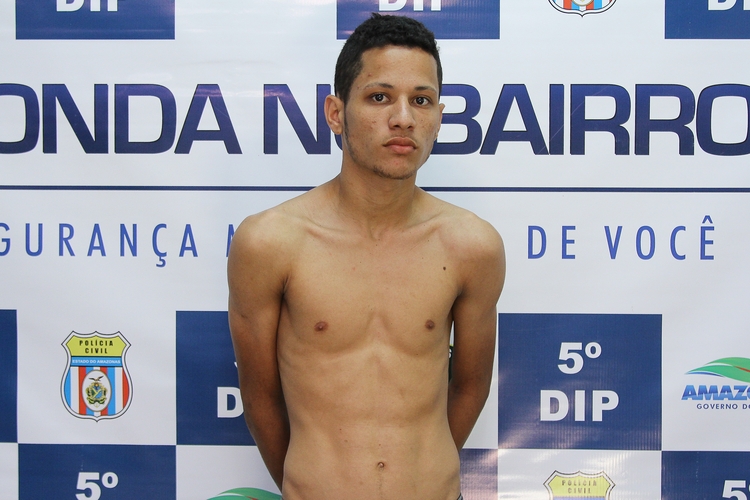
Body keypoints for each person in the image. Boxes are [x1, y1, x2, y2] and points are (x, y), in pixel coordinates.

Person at [227, 13, 505, 500]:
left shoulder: (472, 246)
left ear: (438, 116)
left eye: (421, 100)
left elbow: (470, 388)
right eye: (380, 97)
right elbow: (260, 397)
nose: (403, 118)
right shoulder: (270, 242)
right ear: (336, 113)